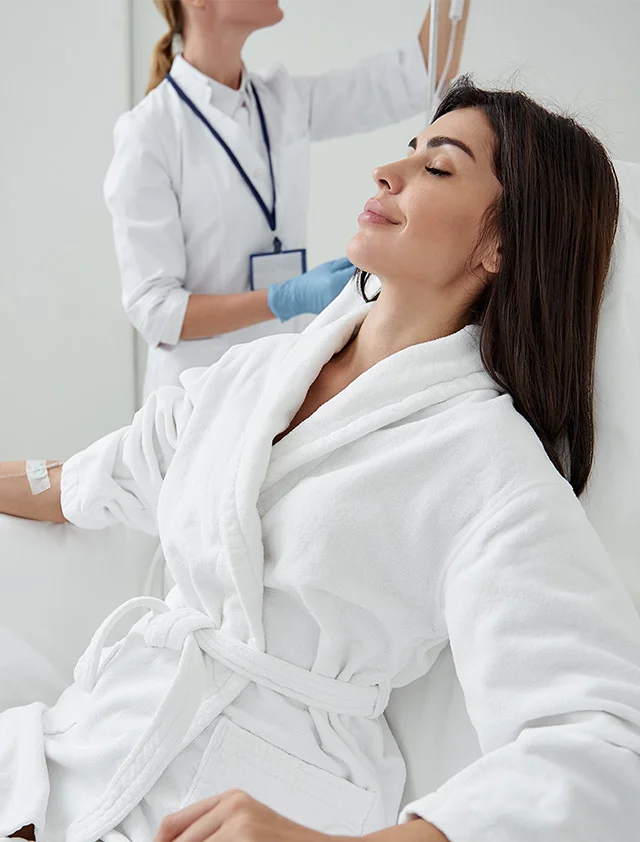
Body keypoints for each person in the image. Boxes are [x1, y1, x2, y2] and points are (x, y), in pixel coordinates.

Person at [2, 76, 640, 842]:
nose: (388, 172)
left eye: (438, 167)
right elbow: (106, 472)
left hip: (265, 793)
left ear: (502, 241)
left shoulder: (489, 465)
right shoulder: (259, 375)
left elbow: (599, 747)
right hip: (84, 747)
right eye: (407, 152)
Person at [104, 0, 470, 397]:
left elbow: (415, 75)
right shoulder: (148, 133)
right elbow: (156, 312)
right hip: (194, 395)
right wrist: (282, 299)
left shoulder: (280, 100)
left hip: (280, 381)